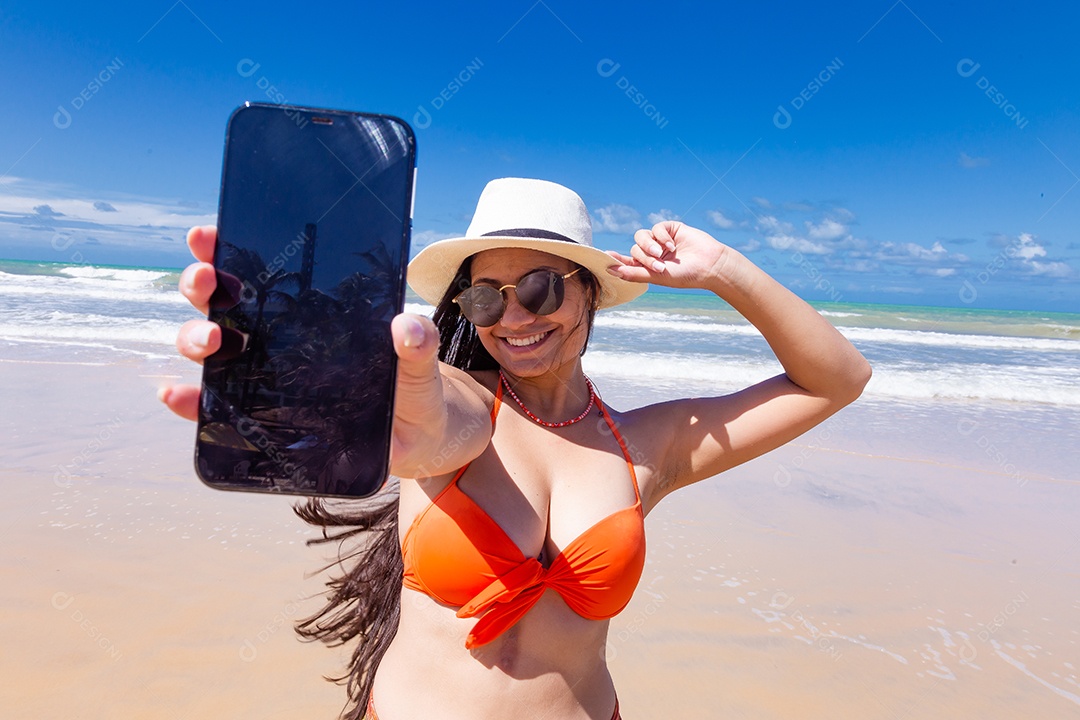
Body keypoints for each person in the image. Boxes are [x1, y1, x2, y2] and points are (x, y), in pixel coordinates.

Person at [161, 177, 871, 719]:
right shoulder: (460, 398)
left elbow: (837, 380)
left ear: (589, 293)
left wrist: (722, 270)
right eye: (485, 299)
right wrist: (383, 412)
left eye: (537, 287)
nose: (514, 317)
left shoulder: (648, 446)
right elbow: (433, 424)